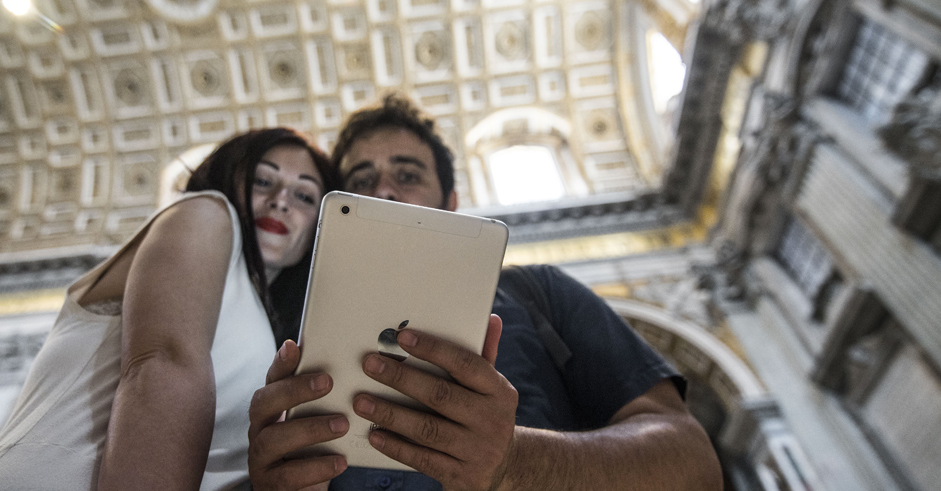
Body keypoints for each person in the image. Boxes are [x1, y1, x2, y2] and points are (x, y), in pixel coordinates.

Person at [247, 95, 723, 490]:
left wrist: (515, 461)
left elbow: (692, 461)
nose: (385, 193)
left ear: (453, 204)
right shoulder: (294, 337)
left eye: (407, 175)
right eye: (362, 183)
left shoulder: (537, 292)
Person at [0, 128, 338, 491]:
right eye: (263, 181)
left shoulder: (274, 335)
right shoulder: (206, 213)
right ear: (226, 179)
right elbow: (162, 364)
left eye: (304, 196)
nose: (280, 200)